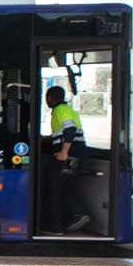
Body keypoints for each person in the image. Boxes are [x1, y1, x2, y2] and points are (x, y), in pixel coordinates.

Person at [44, 87, 91, 234]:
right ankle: (71, 217)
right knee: (63, 188)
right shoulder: (67, 110)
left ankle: (63, 222)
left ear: (51, 98)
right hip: (75, 155)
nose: (47, 101)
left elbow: (69, 130)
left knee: (53, 189)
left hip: (67, 156)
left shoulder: (61, 110)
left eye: (47, 97)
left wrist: (64, 151)